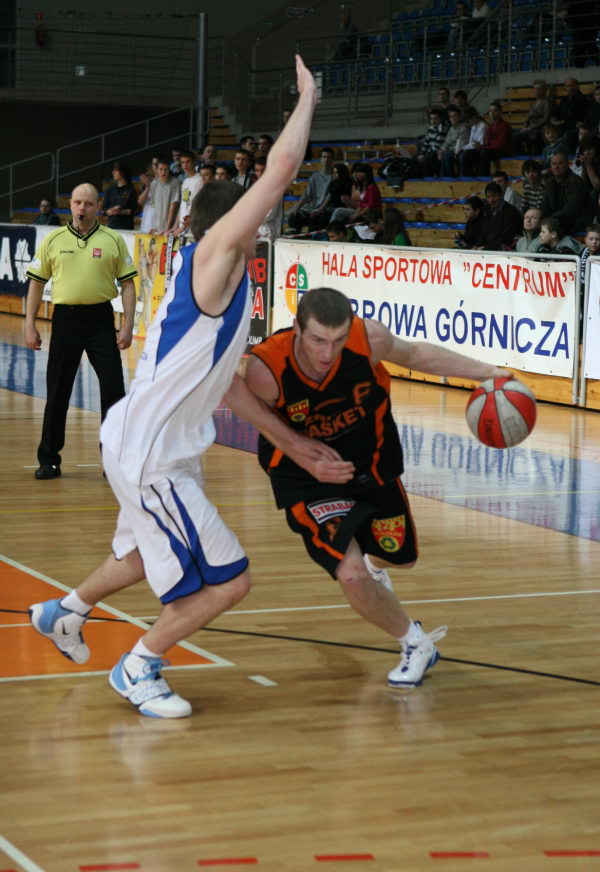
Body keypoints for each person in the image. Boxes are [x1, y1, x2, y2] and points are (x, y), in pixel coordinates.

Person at [27, 57, 348, 718]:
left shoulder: (226, 281)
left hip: (144, 441)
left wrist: (296, 445)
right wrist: (308, 99)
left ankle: (65, 610)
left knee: (140, 554)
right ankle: (139, 666)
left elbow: (228, 389)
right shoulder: (212, 260)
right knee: (229, 582)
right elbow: (282, 170)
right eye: (253, 219)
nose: (263, 223)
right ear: (233, 226)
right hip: (153, 452)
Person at [244, 288, 508, 689]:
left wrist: (490, 372)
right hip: (308, 478)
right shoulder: (267, 368)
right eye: (317, 340)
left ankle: (373, 570)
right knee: (350, 574)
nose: (327, 353)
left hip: (372, 461)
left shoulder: (369, 339)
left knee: (401, 558)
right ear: (296, 328)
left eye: (337, 340)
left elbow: (417, 355)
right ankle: (415, 643)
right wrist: (303, 455)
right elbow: (258, 418)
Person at [24, 183, 136, 480]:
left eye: (87, 203)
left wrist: (128, 325)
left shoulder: (113, 240)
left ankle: (113, 462)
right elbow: (36, 283)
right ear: (70, 205)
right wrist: (29, 324)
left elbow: (128, 284)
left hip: (101, 320)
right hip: (65, 321)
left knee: (114, 391)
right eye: (77, 202)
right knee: (57, 391)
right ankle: (49, 459)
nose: (81, 208)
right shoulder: (53, 239)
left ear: (97, 206)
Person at [540, 152, 591, 234]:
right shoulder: (549, 183)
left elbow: (571, 209)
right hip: (556, 219)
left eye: (560, 163)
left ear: (568, 165)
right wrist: (540, 217)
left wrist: (551, 218)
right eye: (554, 164)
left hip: (574, 220)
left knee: (552, 225)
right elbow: (544, 205)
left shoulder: (577, 182)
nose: (556, 166)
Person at [287, 147, 334, 232]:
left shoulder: (334, 177)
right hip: (311, 207)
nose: (326, 160)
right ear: (321, 159)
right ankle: (296, 235)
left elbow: (330, 197)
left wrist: (319, 210)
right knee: (293, 215)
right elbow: (307, 195)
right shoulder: (314, 177)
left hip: (324, 209)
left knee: (315, 218)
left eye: (329, 157)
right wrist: (297, 208)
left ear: (332, 160)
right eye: (324, 157)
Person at [475, 181, 523, 251]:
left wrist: (486, 247)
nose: (491, 200)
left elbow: (506, 237)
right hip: (490, 247)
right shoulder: (487, 209)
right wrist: (476, 245)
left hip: (506, 248)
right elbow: (483, 232)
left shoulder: (511, 211)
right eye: (488, 197)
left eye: (494, 196)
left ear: (501, 195)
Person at [512, 80, 553, 154]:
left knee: (516, 136)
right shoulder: (534, 103)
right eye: (535, 88)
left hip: (538, 128)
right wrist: (524, 126)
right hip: (530, 127)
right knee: (512, 132)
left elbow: (545, 119)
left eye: (539, 89)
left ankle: (522, 155)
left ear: (544, 90)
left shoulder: (547, 102)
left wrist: (530, 127)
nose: (536, 91)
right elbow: (528, 117)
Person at [145, 158, 180, 233]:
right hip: (159, 228)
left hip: (172, 229)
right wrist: (154, 227)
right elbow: (155, 208)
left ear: (169, 170)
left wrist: (167, 229)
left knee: (170, 240)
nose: (163, 172)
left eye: (166, 169)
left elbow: (173, 207)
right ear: (156, 170)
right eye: (161, 169)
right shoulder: (153, 184)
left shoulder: (175, 182)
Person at [254, 156, 283, 242]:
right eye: (257, 170)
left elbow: (270, 214)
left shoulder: (276, 188)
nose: (259, 174)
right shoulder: (255, 187)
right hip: (256, 232)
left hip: (270, 233)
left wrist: (250, 219)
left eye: (263, 170)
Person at [174, 150, 202, 236]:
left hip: (193, 227)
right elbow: (183, 204)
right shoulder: (185, 182)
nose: (185, 165)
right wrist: (175, 226)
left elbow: (197, 206)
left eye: (188, 162)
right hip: (182, 228)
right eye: (183, 162)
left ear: (194, 162)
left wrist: (183, 227)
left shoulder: (200, 180)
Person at [438, 105, 470, 176]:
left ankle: (449, 178)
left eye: (455, 116)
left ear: (459, 117)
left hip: (460, 150)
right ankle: (440, 177)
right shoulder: (451, 128)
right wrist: (441, 150)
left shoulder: (464, 127)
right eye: (451, 116)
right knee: (436, 154)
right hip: (450, 150)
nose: (453, 118)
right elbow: (446, 142)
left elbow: (461, 145)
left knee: (447, 154)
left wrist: (446, 150)